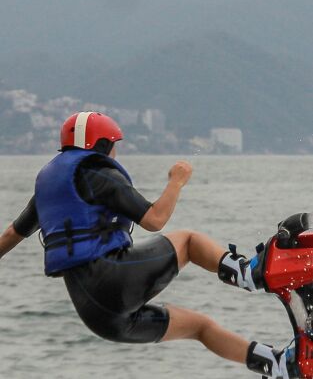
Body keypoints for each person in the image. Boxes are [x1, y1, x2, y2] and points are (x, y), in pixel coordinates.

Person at [0, 111, 298, 379]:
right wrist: (176, 181)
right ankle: (252, 274)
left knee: (200, 327)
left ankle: (279, 364)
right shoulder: (96, 173)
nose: (117, 152)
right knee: (188, 242)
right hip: (110, 280)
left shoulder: (50, 188)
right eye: (115, 144)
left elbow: (10, 235)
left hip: (99, 317)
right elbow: (155, 220)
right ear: (103, 145)